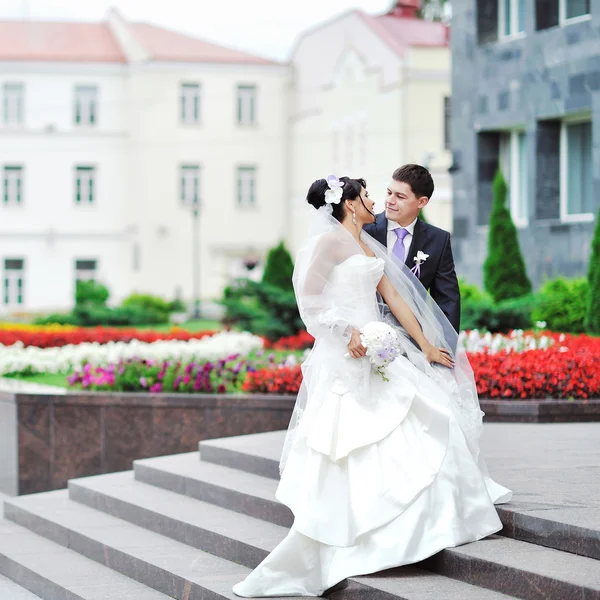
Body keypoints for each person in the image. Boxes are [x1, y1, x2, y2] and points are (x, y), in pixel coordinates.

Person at [232, 175, 512, 598]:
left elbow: (396, 299)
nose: (375, 202)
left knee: (426, 414)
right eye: (365, 196)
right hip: (347, 353)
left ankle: (431, 521)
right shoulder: (330, 244)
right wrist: (347, 334)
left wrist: (426, 346)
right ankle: (358, 529)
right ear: (347, 203)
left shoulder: (366, 243)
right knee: (353, 441)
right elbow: (309, 302)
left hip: (380, 349)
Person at [364, 164, 461, 332]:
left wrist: (446, 348)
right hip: (364, 335)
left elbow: (447, 300)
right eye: (389, 193)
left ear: (421, 202)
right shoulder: (364, 231)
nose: (390, 201)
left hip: (413, 340)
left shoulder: (438, 240)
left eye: (400, 196)